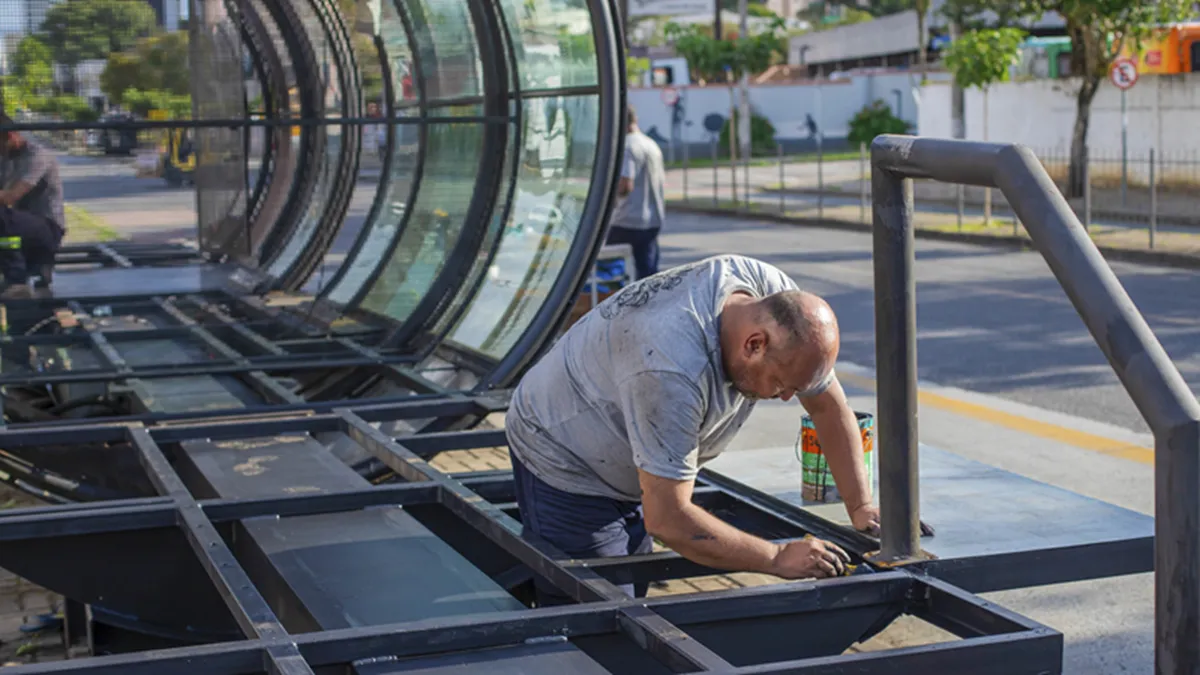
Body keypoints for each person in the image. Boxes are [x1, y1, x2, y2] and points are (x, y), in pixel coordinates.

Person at [506, 254, 879, 606]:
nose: (785, 398)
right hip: (563, 451)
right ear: (754, 344)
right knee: (597, 611)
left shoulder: (775, 301)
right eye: (781, 384)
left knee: (630, 578)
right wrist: (776, 556)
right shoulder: (670, 369)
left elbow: (828, 407)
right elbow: (668, 518)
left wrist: (860, 507)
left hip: (621, 439)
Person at [0, 113, 65, 298]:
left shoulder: (37, 156)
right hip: (19, 226)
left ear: (10, 136)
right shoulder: (4, 159)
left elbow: (10, 197)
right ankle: (16, 272)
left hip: (48, 228)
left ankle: (17, 280)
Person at [606, 104, 665, 280]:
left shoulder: (627, 146)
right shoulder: (651, 144)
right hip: (652, 219)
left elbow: (625, 184)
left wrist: (608, 201)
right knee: (648, 275)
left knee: (610, 271)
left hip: (628, 219)